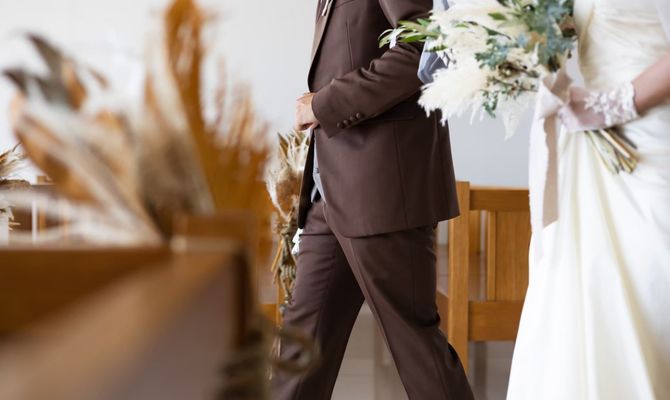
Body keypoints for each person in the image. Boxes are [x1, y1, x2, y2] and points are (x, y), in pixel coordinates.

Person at [270, 0, 473, 398]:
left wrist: (324, 104)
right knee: (302, 345)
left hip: (382, 188)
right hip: (329, 187)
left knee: (415, 346)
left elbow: (423, 48)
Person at [507, 0, 670, 398]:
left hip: (653, 144)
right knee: (583, 294)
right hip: (589, 150)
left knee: (654, 288)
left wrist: (613, 105)